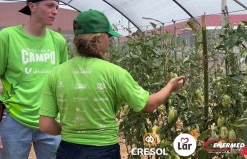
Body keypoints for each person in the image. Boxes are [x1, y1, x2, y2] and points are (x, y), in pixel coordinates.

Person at [39, 9, 186, 159]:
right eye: (108, 36)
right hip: (103, 150)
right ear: (99, 37)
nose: (110, 41)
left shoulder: (55, 73)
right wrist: (170, 86)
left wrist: (70, 132)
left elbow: (45, 125)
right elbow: (149, 105)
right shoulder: (114, 73)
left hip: (68, 150)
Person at [0, 0, 68, 159]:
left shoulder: (58, 41)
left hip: (50, 120)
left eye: (57, 7)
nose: (55, 11)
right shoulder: (8, 37)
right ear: (32, 6)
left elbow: (63, 81)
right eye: (50, 6)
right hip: (14, 119)